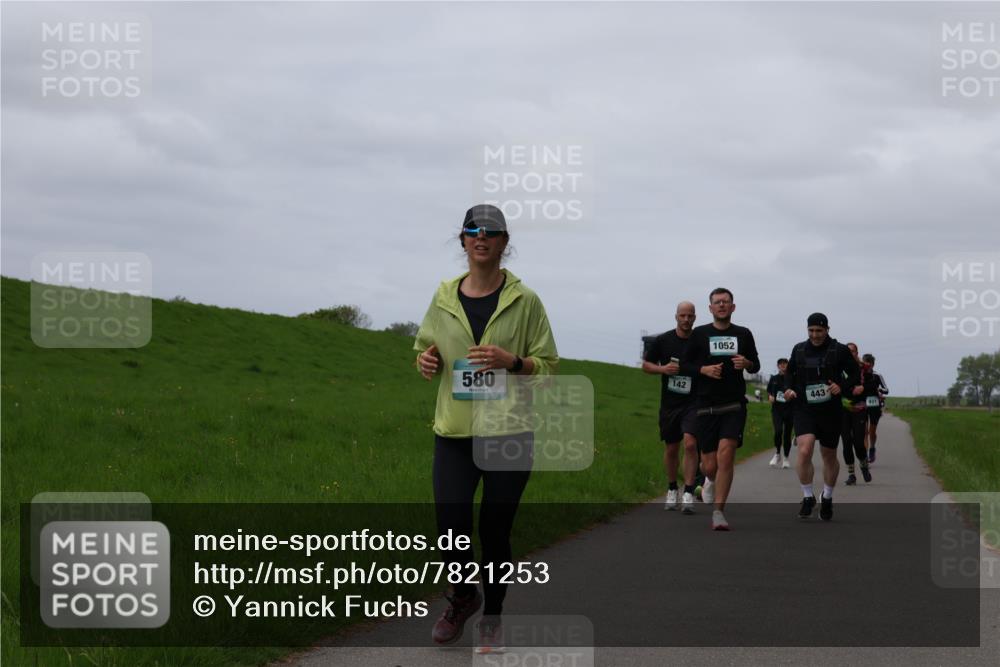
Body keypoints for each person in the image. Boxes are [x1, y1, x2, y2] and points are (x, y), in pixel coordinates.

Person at [414, 204, 558, 649]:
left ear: (503, 242)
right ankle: (462, 598)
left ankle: (492, 616)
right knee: (450, 526)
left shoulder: (525, 300)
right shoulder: (442, 296)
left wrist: (512, 361)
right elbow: (425, 347)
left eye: (490, 231)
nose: (481, 237)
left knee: (495, 531)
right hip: (454, 432)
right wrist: (425, 359)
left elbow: (549, 367)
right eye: (472, 230)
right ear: (462, 240)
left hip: (509, 434)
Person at [682, 287, 760, 531]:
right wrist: (703, 370)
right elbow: (683, 364)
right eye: (717, 302)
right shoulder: (699, 334)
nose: (722, 305)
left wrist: (747, 363)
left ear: (733, 307)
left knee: (726, 454)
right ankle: (709, 479)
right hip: (705, 405)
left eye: (726, 302)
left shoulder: (744, 334)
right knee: (709, 464)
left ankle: (718, 512)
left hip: (734, 404)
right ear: (710, 308)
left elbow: (756, 364)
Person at [784, 314, 859, 521]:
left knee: (828, 455)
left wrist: (841, 386)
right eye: (811, 331)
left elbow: (854, 375)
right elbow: (789, 374)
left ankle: (827, 497)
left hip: (830, 411)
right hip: (804, 408)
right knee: (805, 448)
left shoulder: (839, 350)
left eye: (819, 331)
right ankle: (808, 497)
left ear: (827, 329)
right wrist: (788, 389)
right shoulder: (799, 349)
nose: (815, 335)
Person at [642, 301, 700, 514]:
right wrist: (663, 369)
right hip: (670, 404)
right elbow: (646, 365)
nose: (686, 320)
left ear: (695, 317)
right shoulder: (663, 340)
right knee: (672, 448)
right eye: (682, 315)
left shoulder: (700, 340)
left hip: (694, 402)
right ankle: (672, 487)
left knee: (691, 443)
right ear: (676, 316)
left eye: (690, 316)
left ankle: (688, 491)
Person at [840, 343, 872, 486]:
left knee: (859, 442)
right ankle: (851, 474)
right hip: (843, 410)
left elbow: (872, 385)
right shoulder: (839, 368)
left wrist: (863, 387)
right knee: (846, 443)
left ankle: (864, 465)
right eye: (848, 351)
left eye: (853, 351)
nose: (850, 353)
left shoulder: (864, 368)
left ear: (857, 352)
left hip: (859, 409)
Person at [766, 358, 794, 469]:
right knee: (778, 431)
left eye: (785, 363)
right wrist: (770, 397)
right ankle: (777, 453)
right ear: (778, 366)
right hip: (777, 410)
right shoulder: (774, 379)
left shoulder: (792, 378)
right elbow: (768, 391)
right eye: (780, 364)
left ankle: (786, 457)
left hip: (789, 409)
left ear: (788, 365)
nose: (783, 365)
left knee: (787, 434)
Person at [865, 354, 889, 463]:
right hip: (862, 405)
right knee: (864, 431)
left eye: (870, 363)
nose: (868, 365)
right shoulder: (859, 374)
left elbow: (886, 389)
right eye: (866, 362)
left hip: (874, 405)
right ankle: (864, 456)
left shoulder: (877, 375)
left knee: (872, 431)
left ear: (873, 364)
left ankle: (872, 448)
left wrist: (879, 390)